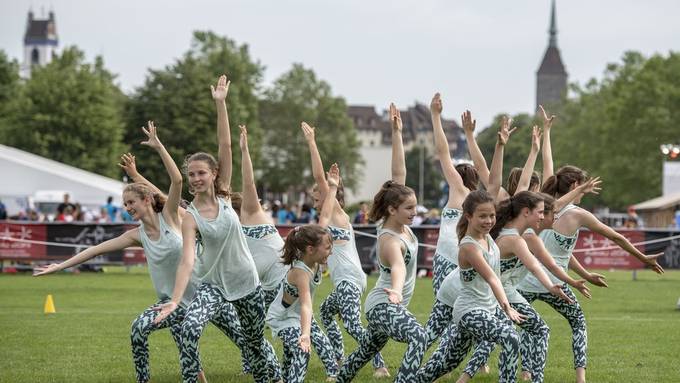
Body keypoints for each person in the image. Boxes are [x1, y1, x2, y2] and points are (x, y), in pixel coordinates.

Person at [34, 121, 216, 383]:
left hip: (203, 293)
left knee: (244, 338)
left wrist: (157, 147)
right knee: (160, 337)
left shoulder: (174, 215)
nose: (127, 207)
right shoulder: (136, 234)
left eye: (131, 202)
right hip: (171, 300)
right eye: (125, 204)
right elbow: (95, 249)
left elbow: (174, 182)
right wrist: (60, 266)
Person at [153, 75, 276, 383]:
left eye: (201, 173)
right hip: (214, 286)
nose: (195, 178)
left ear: (213, 174)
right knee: (190, 327)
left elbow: (225, 143)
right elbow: (188, 260)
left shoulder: (223, 194)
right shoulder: (190, 216)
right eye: (191, 174)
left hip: (246, 282)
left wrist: (220, 104)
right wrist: (176, 299)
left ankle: (272, 377)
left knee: (255, 344)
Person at [517, 165, 664, 383]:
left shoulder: (543, 209)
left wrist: (585, 275)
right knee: (578, 324)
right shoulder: (577, 215)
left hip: (526, 281)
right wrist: (643, 258)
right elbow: (617, 238)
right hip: (555, 283)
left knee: (526, 323)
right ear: (576, 186)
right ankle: (581, 378)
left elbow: (560, 254)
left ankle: (525, 372)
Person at [236, 125, 336, 380]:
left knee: (302, 339)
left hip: (285, 282)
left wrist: (244, 150)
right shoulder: (228, 231)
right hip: (269, 293)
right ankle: (271, 370)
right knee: (277, 337)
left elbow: (249, 182)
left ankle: (331, 371)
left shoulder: (252, 215)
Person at [337, 103, 427, 383]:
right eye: (409, 209)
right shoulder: (390, 240)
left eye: (414, 207)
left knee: (366, 351)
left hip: (386, 305)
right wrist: (397, 292)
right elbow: (398, 268)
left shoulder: (393, 221)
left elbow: (398, 175)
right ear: (392, 210)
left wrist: (397, 132)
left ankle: (340, 378)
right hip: (384, 305)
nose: (414, 211)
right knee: (419, 337)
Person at [301, 121, 389, 377]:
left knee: (352, 323)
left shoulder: (336, 212)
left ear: (329, 195)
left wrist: (312, 143)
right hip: (345, 281)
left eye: (317, 198)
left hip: (350, 279)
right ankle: (339, 357)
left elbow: (320, 178)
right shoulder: (327, 217)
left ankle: (379, 364)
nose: (314, 202)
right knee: (327, 313)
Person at [415, 190, 524, 383]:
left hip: (486, 309)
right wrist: (507, 307)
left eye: (492, 215)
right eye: (482, 216)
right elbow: (492, 278)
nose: (489, 220)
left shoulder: (488, 237)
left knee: (446, 363)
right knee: (511, 338)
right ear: (468, 216)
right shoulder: (469, 246)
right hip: (469, 311)